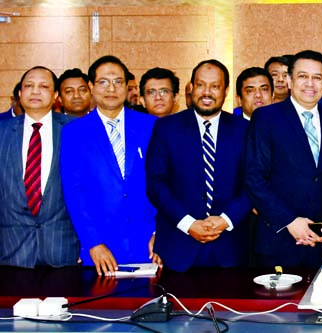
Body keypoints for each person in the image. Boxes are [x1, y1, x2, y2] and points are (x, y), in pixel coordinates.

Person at [244, 50, 322, 268]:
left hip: (319, 242)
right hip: (277, 241)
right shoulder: (266, 118)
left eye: (317, 77)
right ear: (290, 81)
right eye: (303, 76)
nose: (310, 84)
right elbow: (254, 177)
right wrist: (290, 221)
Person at [147, 59, 251, 272]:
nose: (207, 92)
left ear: (226, 90)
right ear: (192, 87)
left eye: (215, 86)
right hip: (178, 249)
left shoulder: (245, 130)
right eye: (201, 84)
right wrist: (188, 224)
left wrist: (224, 220)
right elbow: (156, 184)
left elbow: (253, 183)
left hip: (231, 248)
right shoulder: (166, 128)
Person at [60, 55, 158, 275]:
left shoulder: (151, 126)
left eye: (118, 81)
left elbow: (165, 183)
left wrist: (160, 233)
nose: (111, 88)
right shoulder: (74, 133)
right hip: (101, 250)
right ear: (91, 87)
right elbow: (75, 192)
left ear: (126, 86)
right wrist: (93, 242)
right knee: (102, 309)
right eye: (104, 81)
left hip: (149, 246)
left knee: (150, 307)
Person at [0, 67, 79, 268]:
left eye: (43, 86)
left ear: (55, 96)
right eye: (29, 86)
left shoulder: (76, 130)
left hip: (64, 251)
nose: (35, 91)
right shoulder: (2, 132)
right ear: (19, 94)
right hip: (11, 252)